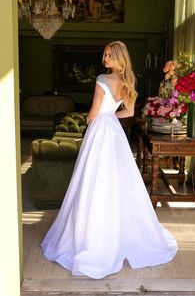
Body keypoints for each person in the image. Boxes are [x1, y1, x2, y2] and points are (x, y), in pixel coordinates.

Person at [40, 41, 178, 279]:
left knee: (92, 176)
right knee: (117, 178)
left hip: (99, 130)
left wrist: (93, 119)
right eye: (104, 54)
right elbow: (130, 112)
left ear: (118, 58)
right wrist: (111, 115)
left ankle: (91, 231)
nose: (104, 58)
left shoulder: (102, 80)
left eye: (109, 55)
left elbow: (93, 113)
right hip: (113, 130)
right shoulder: (127, 81)